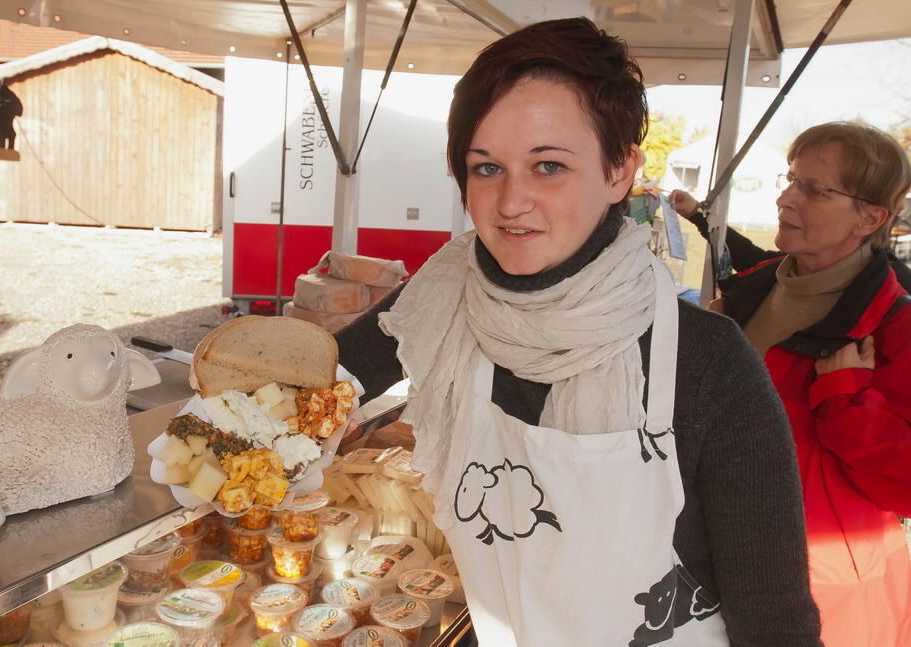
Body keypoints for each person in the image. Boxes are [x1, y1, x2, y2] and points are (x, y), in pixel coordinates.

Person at [335, 18, 821, 646]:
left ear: (620, 172)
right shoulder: (439, 300)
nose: (511, 201)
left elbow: (775, 618)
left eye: (548, 166)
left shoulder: (705, 362)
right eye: (486, 168)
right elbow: (308, 398)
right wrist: (237, 433)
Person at [670, 122, 911, 647]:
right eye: (791, 180)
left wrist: (845, 396)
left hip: (827, 588)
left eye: (814, 189)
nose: (785, 198)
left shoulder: (895, 326)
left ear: (870, 217)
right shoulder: (742, 299)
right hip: (712, 559)